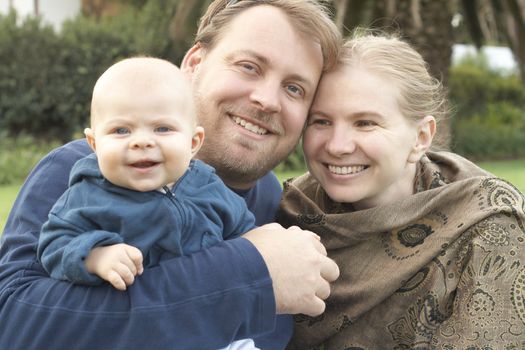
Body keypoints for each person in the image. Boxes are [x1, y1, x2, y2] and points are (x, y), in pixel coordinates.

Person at [0, 1, 342, 349]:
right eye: (249, 66)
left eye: (295, 88)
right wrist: (248, 274)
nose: (268, 99)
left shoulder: (284, 205)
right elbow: (15, 325)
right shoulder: (81, 172)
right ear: (193, 65)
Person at [278, 32, 525, 349]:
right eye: (321, 121)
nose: (337, 146)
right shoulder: (289, 212)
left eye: (365, 123)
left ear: (421, 137)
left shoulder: (488, 226)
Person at [38, 56, 261, 350]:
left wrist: (259, 252)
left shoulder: (208, 186)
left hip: (217, 329)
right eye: (121, 131)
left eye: (162, 129)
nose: (141, 141)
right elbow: (54, 243)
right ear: (94, 144)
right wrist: (96, 257)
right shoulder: (87, 195)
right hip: (140, 333)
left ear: (193, 142)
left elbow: (246, 235)